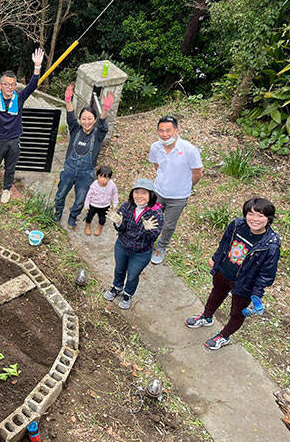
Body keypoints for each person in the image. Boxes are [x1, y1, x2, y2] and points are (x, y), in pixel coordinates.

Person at [185, 197, 280, 350]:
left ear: (268, 219)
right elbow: (224, 244)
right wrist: (216, 260)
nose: (254, 219)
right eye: (251, 214)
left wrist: (256, 294)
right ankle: (206, 317)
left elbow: (266, 274)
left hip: (245, 284)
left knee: (237, 312)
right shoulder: (237, 225)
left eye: (260, 215)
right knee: (215, 295)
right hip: (224, 272)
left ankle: (224, 336)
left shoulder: (271, 245)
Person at [0, 48, 45, 204]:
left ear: (15, 86)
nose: (9, 87)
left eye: (12, 84)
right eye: (6, 84)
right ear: (0, 85)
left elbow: (32, 86)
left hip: (13, 140)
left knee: (10, 167)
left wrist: (37, 67)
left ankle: (6, 188)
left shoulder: (19, 97)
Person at [53, 83, 114, 228]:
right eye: (84, 118)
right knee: (60, 194)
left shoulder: (98, 134)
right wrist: (68, 100)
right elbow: (70, 117)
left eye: (90, 118)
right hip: (69, 169)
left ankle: (73, 217)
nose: (87, 122)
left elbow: (103, 124)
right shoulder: (75, 129)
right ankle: (57, 214)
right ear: (80, 119)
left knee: (80, 199)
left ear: (94, 120)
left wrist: (105, 110)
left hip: (86, 173)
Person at [148, 115, 203, 264]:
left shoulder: (189, 150)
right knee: (152, 218)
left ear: (177, 131)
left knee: (169, 224)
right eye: (161, 131)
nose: (165, 134)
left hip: (178, 197)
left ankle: (161, 247)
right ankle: (147, 241)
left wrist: (184, 185)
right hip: (159, 191)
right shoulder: (155, 147)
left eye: (168, 130)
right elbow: (157, 167)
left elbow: (198, 173)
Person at [103, 179, 163, 310]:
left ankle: (128, 294)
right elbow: (121, 229)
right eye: (137, 192)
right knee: (119, 269)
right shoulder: (126, 206)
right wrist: (118, 223)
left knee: (132, 275)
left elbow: (153, 238)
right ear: (132, 193)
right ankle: (117, 287)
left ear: (151, 195)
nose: (139, 196)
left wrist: (149, 231)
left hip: (141, 253)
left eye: (144, 193)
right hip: (122, 246)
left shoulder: (156, 213)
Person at [83, 165, 118, 236]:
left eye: (106, 178)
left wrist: (115, 204)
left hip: (105, 205)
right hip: (93, 204)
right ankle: (87, 225)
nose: (103, 179)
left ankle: (100, 227)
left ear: (109, 178)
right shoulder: (94, 185)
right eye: (100, 176)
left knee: (102, 218)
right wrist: (86, 205)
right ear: (97, 176)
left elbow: (114, 194)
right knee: (89, 216)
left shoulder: (112, 185)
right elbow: (88, 196)